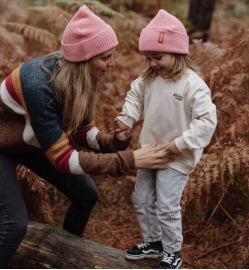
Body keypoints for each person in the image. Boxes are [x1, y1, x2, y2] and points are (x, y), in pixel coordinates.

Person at [0, 5, 173, 269]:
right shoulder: (38, 84)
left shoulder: (79, 77)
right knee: (13, 225)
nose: (112, 63)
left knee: (86, 195)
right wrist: (130, 159)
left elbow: (84, 132)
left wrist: (115, 141)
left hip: (29, 140)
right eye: (106, 57)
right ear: (84, 59)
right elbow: (64, 160)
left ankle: (65, 258)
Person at [115, 9, 217, 269]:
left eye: (157, 57)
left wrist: (179, 144)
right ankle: (153, 242)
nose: (152, 63)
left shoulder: (193, 85)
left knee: (166, 204)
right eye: (148, 58)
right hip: (149, 150)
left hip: (177, 155)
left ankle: (173, 251)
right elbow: (134, 96)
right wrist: (126, 119)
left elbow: (206, 122)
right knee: (142, 199)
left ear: (178, 52)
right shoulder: (148, 79)